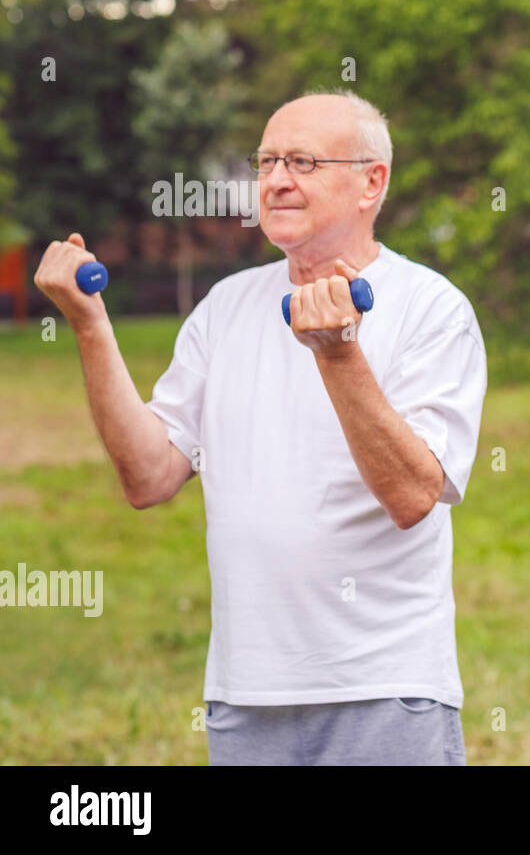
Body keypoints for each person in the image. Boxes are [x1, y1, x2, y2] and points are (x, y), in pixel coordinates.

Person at [34, 90, 487, 765]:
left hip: (385, 688)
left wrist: (338, 355)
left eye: (302, 161)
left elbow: (412, 494)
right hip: (245, 695)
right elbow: (149, 477)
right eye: (267, 161)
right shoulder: (226, 307)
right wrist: (89, 322)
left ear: (373, 181)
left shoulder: (431, 309)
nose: (275, 180)